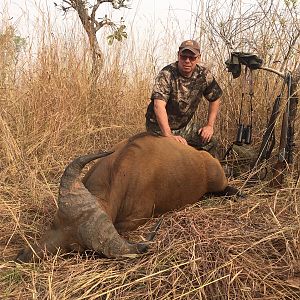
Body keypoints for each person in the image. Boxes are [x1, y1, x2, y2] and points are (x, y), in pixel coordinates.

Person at [145, 40, 222, 153]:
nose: (187, 61)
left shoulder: (204, 75)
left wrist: (209, 125)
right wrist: (168, 135)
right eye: (183, 56)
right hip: (158, 128)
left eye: (192, 58)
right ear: (178, 55)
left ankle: (198, 167)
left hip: (183, 127)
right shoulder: (167, 74)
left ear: (198, 58)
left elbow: (215, 98)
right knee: (171, 152)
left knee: (211, 141)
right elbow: (158, 106)